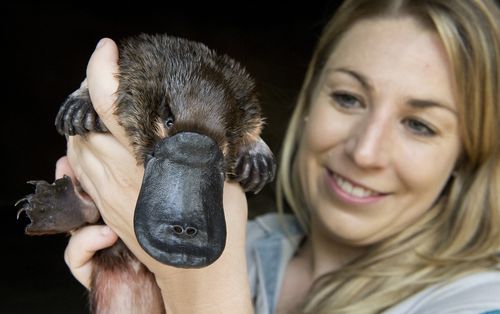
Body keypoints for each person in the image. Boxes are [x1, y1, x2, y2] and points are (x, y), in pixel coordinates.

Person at [58, 0, 500, 313]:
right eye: (347, 98)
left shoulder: (480, 302)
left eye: (419, 125)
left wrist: (197, 290)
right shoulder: (257, 246)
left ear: (468, 153)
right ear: (308, 102)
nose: (365, 153)